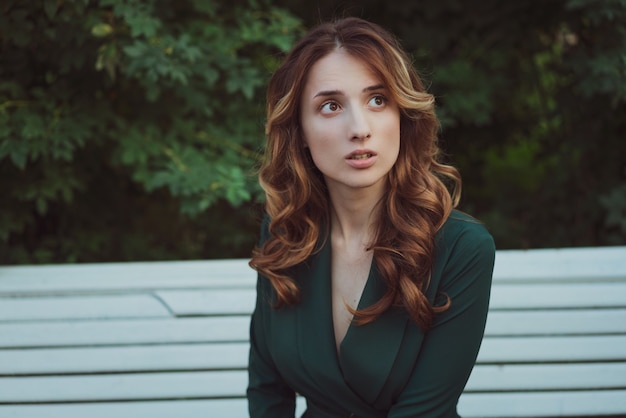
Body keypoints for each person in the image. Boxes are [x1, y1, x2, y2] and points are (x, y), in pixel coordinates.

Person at [247, 17, 496, 418]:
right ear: (299, 132)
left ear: (403, 114)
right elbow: (266, 391)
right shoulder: (285, 234)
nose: (359, 128)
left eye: (377, 100)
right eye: (330, 106)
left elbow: (424, 412)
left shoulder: (462, 248)